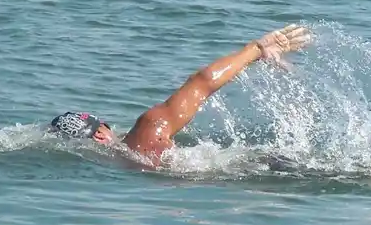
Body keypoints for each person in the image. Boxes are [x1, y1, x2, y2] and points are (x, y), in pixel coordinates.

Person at [48, 24, 313, 166]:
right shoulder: (145, 133)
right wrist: (254, 50)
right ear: (101, 133)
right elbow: (200, 84)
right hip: (265, 167)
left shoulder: (125, 161)